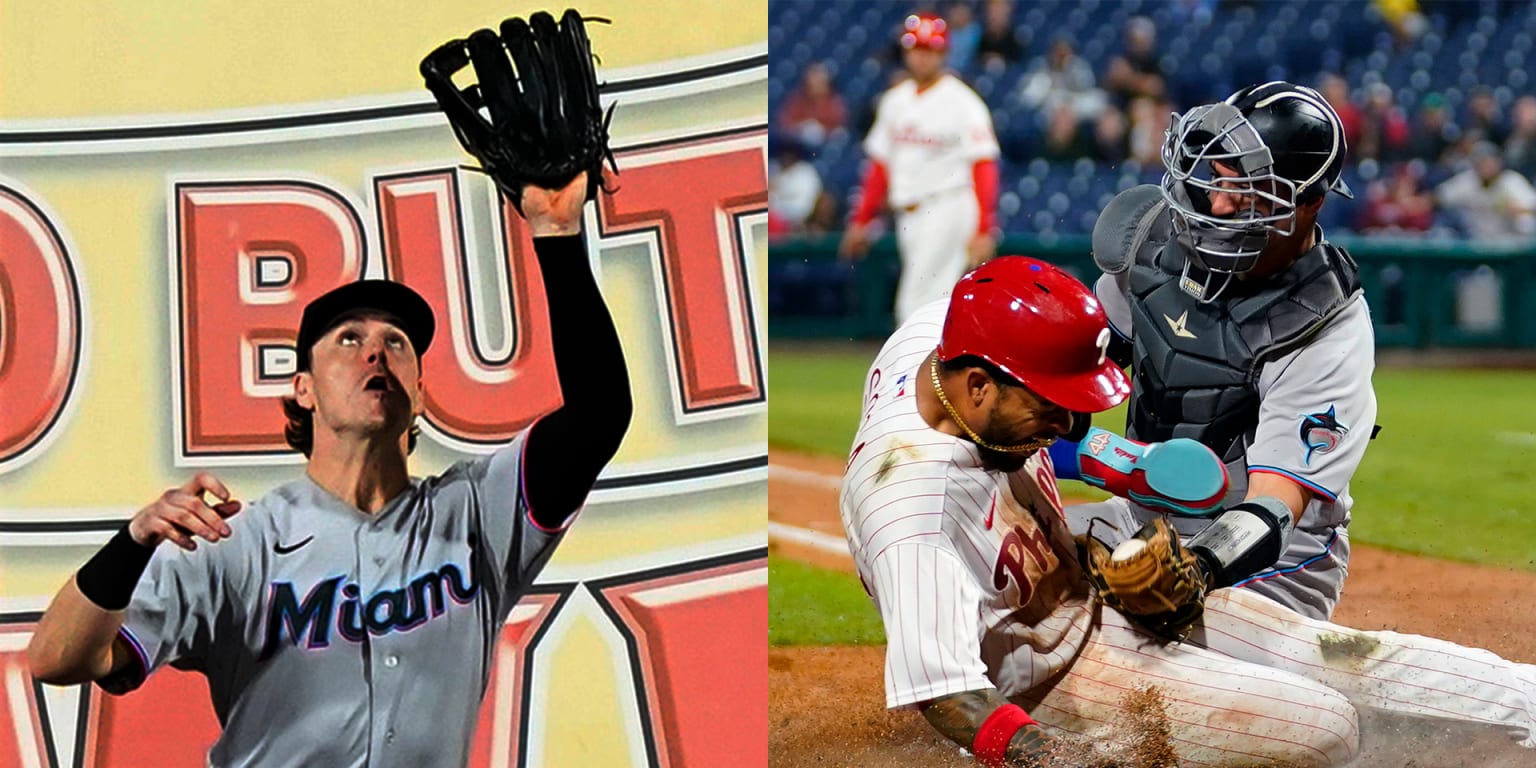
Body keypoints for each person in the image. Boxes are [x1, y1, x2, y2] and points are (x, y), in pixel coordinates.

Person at [26, 170, 633, 767]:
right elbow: (59, 659)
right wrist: (133, 543)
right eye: (348, 339)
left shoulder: (478, 512)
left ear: (419, 393)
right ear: (304, 390)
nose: (375, 350)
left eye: (397, 342)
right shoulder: (238, 544)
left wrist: (557, 234)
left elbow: (600, 415)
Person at [842, 259, 1536, 767]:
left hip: (1090, 586)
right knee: (1325, 728)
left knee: (1336, 656)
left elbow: (1020, 347)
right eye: (1049, 406)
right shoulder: (913, 511)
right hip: (1054, 678)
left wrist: (1112, 461)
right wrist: (1050, 758)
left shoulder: (943, 331)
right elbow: (946, 693)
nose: (1065, 422)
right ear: (977, 385)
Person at [1067, 81, 1376, 622]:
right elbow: (1076, 372)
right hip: (1136, 518)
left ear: (1309, 203)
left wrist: (1196, 573)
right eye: (1218, 178)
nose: (1219, 203)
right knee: (997, 560)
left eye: (1251, 190)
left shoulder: (1325, 322)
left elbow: (1275, 505)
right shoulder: (1156, 249)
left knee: (1150, 665)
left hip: (1272, 565)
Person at [840, 12, 1000, 325]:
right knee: (930, 301)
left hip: (947, 203)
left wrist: (984, 227)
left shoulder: (962, 102)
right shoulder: (894, 100)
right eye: (916, 49)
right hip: (908, 214)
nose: (921, 57)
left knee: (918, 303)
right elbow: (879, 165)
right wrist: (862, 218)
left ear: (943, 52)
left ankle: (914, 371)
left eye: (929, 49)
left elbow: (984, 165)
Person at [1435, 140, 1536, 241]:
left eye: (1490, 162)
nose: (1487, 166)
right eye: (1482, 162)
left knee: (1525, 223)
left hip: (1510, 241)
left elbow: (1532, 206)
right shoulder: (1467, 181)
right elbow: (1438, 197)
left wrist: (1518, 209)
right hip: (1478, 241)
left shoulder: (1511, 181)